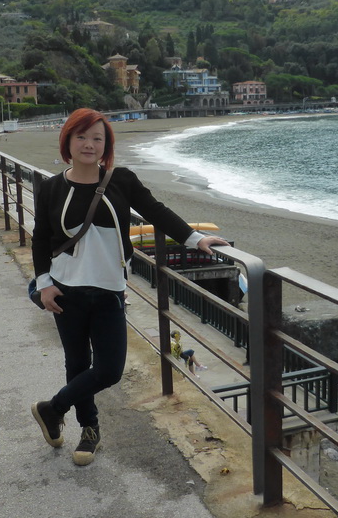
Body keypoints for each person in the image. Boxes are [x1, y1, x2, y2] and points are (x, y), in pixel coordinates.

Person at [30, 108, 229, 466]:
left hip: (108, 292)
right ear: (68, 141)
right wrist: (44, 284)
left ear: (106, 145)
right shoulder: (52, 188)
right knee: (76, 364)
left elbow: (156, 210)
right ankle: (89, 430)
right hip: (65, 291)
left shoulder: (121, 180)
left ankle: (52, 408)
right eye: (82, 137)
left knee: (109, 370)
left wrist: (195, 238)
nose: (89, 144)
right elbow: (41, 238)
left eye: (97, 138)